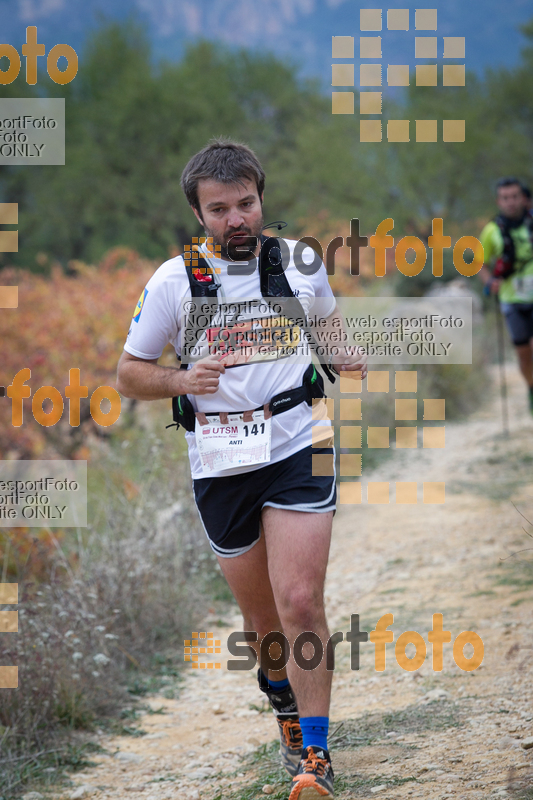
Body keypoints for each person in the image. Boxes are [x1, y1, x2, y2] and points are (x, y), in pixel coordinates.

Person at [116, 138, 367, 799]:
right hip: (221, 460)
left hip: (297, 440)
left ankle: (315, 754)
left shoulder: (301, 264)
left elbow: (329, 329)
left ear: (262, 200)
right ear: (199, 214)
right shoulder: (175, 281)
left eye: (246, 204)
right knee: (262, 620)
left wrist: (346, 354)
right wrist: (180, 378)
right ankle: (282, 700)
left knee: (300, 600)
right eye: (220, 208)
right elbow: (129, 374)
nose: (236, 219)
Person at [478, 178, 533, 415]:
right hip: (512, 300)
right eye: (505, 198)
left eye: (514, 196)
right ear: (499, 201)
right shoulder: (491, 231)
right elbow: (479, 263)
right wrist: (490, 281)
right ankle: (531, 387)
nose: (511, 202)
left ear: (523, 198)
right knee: (523, 353)